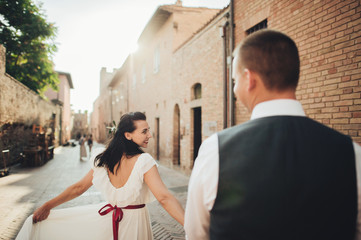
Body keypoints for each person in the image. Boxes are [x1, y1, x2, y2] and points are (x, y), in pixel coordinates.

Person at [184, 29, 361, 240]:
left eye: (234, 81)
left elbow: (196, 234)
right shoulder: (352, 153)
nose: (234, 90)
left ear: (249, 79)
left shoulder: (215, 150)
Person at [16, 112, 184, 240]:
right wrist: (190, 225)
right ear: (128, 135)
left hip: (110, 225)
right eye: (144, 131)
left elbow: (79, 188)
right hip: (135, 225)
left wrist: (47, 206)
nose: (150, 135)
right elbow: (164, 197)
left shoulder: (103, 158)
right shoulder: (144, 161)